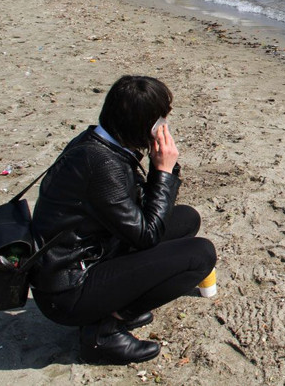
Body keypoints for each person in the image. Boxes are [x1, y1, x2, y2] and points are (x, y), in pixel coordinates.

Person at [30, 76, 216, 365]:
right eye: (160, 119)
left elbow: (141, 210)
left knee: (186, 219)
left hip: (88, 253)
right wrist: (163, 172)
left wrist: (164, 168)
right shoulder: (102, 164)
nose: (164, 125)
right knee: (201, 255)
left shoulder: (99, 142)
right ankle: (103, 330)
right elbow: (148, 234)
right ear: (143, 125)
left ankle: (114, 307)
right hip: (69, 290)